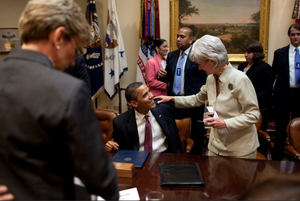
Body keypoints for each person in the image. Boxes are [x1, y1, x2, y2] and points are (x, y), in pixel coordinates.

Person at [0, 0, 118, 200]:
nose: (73, 61)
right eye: (76, 50)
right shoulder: (68, 91)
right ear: (59, 37)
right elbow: (101, 179)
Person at [155, 35, 260, 159]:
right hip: (215, 147)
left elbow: (253, 114)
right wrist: (172, 99)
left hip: (239, 149)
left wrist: (225, 123)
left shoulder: (240, 79)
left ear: (212, 61)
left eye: (200, 64)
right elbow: (197, 99)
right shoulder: (211, 79)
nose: (198, 68)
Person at [157, 27, 207, 155]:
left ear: (191, 39)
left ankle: (196, 165)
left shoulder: (198, 56)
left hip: (193, 103)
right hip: (174, 101)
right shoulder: (172, 55)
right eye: (177, 36)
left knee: (195, 138)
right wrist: (161, 74)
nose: (178, 39)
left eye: (182, 37)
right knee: (174, 135)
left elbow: (206, 78)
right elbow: (170, 76)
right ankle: (176, 161)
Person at [109, 82, 193, 153]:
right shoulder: (120, 122)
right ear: (134, 103)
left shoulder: (164, 108)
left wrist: (173, 98)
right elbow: (120, 150)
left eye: (149, 91)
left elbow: (191, 110)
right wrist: (111, 147)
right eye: (145, 95)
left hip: (166, 158)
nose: (151, 96)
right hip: (138, 162)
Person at [271, 23, 300, 161]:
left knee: (298, 128)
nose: (295, 37)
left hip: (299, 95)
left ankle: (297, 156)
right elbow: (273, 74)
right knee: (280, 129)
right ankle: (277, 158)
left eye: (298, 34)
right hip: (283, 95)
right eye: (293, 34)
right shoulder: (279, 53)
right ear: (289, 36)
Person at [238, 40, 273, 131]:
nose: (245, 55)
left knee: (257, 135)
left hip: (259, 107)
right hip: (242, 107)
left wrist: (251, 98)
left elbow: (267, 90)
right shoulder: (241, 66)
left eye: (249, 52)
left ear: (256, 53)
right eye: (245, 52)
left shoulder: (265, 68)